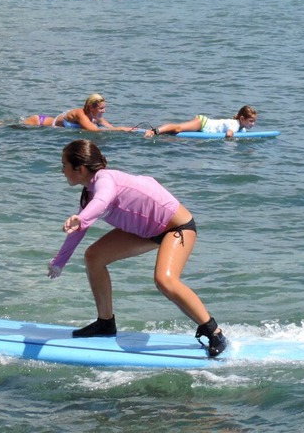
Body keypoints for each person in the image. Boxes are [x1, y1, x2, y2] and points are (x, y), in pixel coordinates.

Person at [48, 139, 228, 357]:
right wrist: (59, 263)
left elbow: (103, 201)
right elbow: (79, 229)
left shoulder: (105, 180)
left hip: (177, 227)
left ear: (81, 168)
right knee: (94, 256)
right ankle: (105, 323)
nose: (61, 171)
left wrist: (82, 217)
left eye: (64, 165)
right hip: (148, 230)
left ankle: (213, 331)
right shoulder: (88, 193)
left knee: (165, 280)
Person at [21, 93, 136, 132]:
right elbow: (95, 131)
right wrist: (121, 128)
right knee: (9, 128)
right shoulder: (79, 114)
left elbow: (111, 128)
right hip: (37, 123)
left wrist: (128, 130)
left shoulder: (96, 116)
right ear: (91, 107)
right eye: (101, 108)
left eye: (104, 107)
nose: (104, 111)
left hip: (45, 125)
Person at [145, 105, 258, 139]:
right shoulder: (235, 124)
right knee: (177, 128)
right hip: (203, 123)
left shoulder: (242, 128)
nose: (253, 124)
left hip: (203, 126)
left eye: (254, 121)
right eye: (251, 121)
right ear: (242, 119)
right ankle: (154, 131)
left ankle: (160, 132)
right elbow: (229, 134)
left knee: (173, 136)